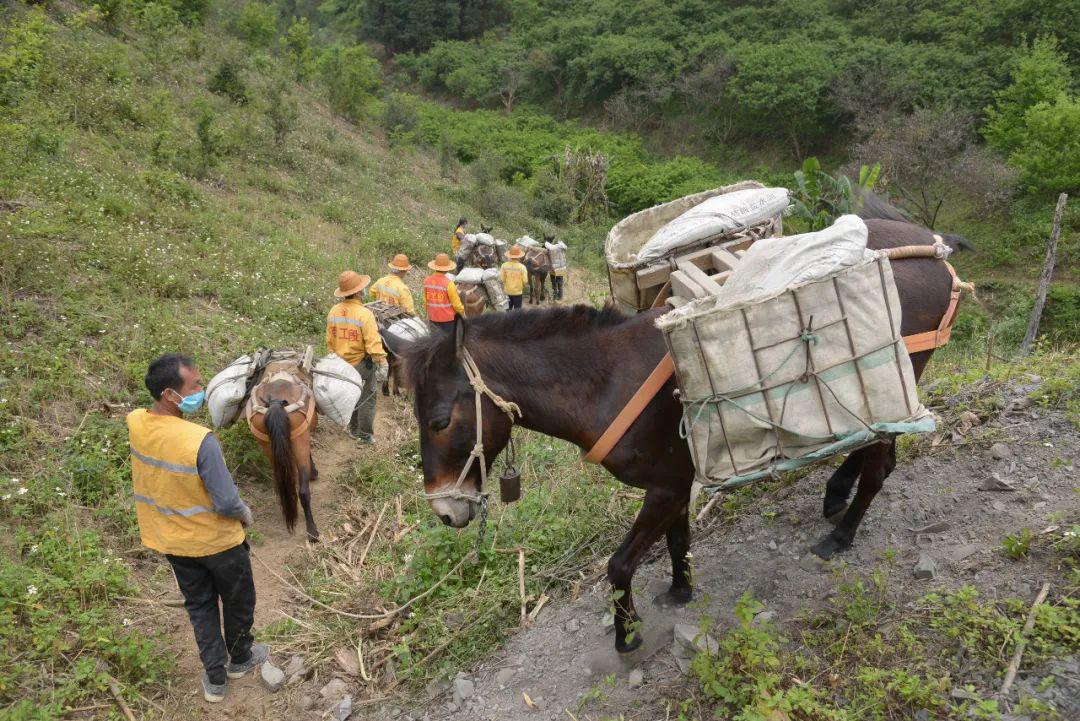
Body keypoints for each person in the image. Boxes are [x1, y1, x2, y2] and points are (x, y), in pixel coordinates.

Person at [126, 354, 265, 704]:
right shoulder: (200, 441)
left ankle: (215, 679)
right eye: (195, 386)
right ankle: (241, 658)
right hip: (218, 543)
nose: (202, 391)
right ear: (170, 394)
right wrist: (246, 514)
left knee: (200, 606)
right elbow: (227, 503)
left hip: (173, 542)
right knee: (238, 600)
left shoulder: (136, 423)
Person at [326, 271, 389, 445]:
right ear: (359, 291)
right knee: (367, 398)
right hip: (359, 364)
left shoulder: (334, 311)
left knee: (350, 396)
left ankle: (352, 429)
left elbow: (330, 341)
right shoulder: (364, 314)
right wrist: (382, 362)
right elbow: (373, 344)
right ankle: (365, 436)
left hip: (339, 365)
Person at [424, 252, 465, 331]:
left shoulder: (427, 281)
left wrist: (429, 314)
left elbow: (425, 302)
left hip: (432, 318)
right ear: (447, 268)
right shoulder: (449, 284)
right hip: (448, 320)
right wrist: (462, 312)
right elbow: (456, 304)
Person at [500, 245, 528, 310]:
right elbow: (525, 281)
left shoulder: (504, 265)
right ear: (519, 256)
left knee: (507, 310)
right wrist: (523, 286)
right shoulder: (522, 267)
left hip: (507, 292)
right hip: (518, 292)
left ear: (509, 255)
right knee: (517, 312)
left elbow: (502, 279)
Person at [545, 236, 568, 301]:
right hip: (560, 268)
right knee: (559, 283)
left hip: (553, 268)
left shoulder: (550, 249)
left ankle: (556, 296)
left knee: (554, 282)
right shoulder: (561, 249)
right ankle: (559, 297)